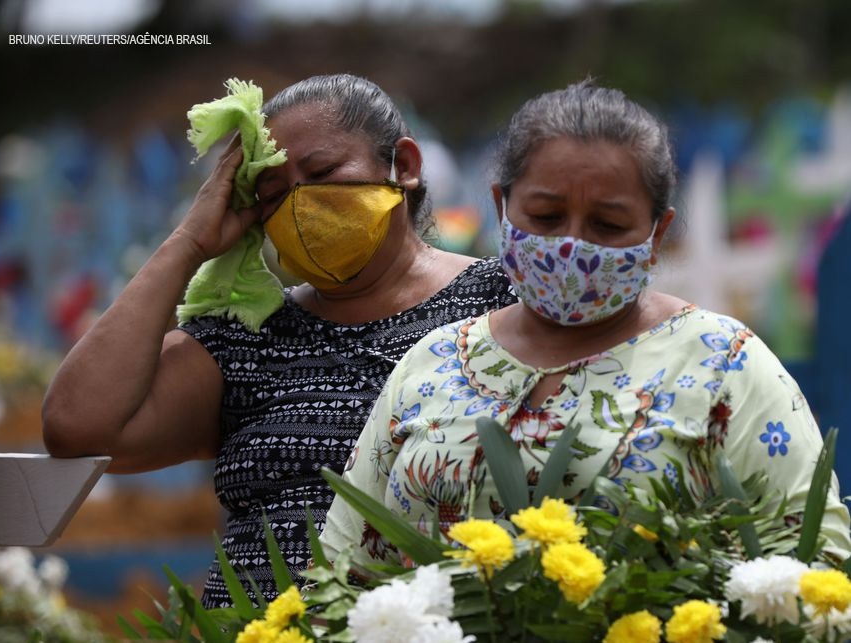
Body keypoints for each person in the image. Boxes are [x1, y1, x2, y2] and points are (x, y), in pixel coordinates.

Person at [319, 79, 851, 571]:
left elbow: (812, 564)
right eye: (547, 218)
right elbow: (342, 568)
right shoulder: (432, 363)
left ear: (657, 232)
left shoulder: (721, 361)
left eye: (608, 224)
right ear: (502, 207)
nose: (572, 244)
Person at [41, 74, 516, 607]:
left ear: (403, 166)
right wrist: (188, 243)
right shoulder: (247, 339)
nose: (300, 203)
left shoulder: (503, 303)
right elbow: (77, 428)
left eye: (323, 172)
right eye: (272, 194)